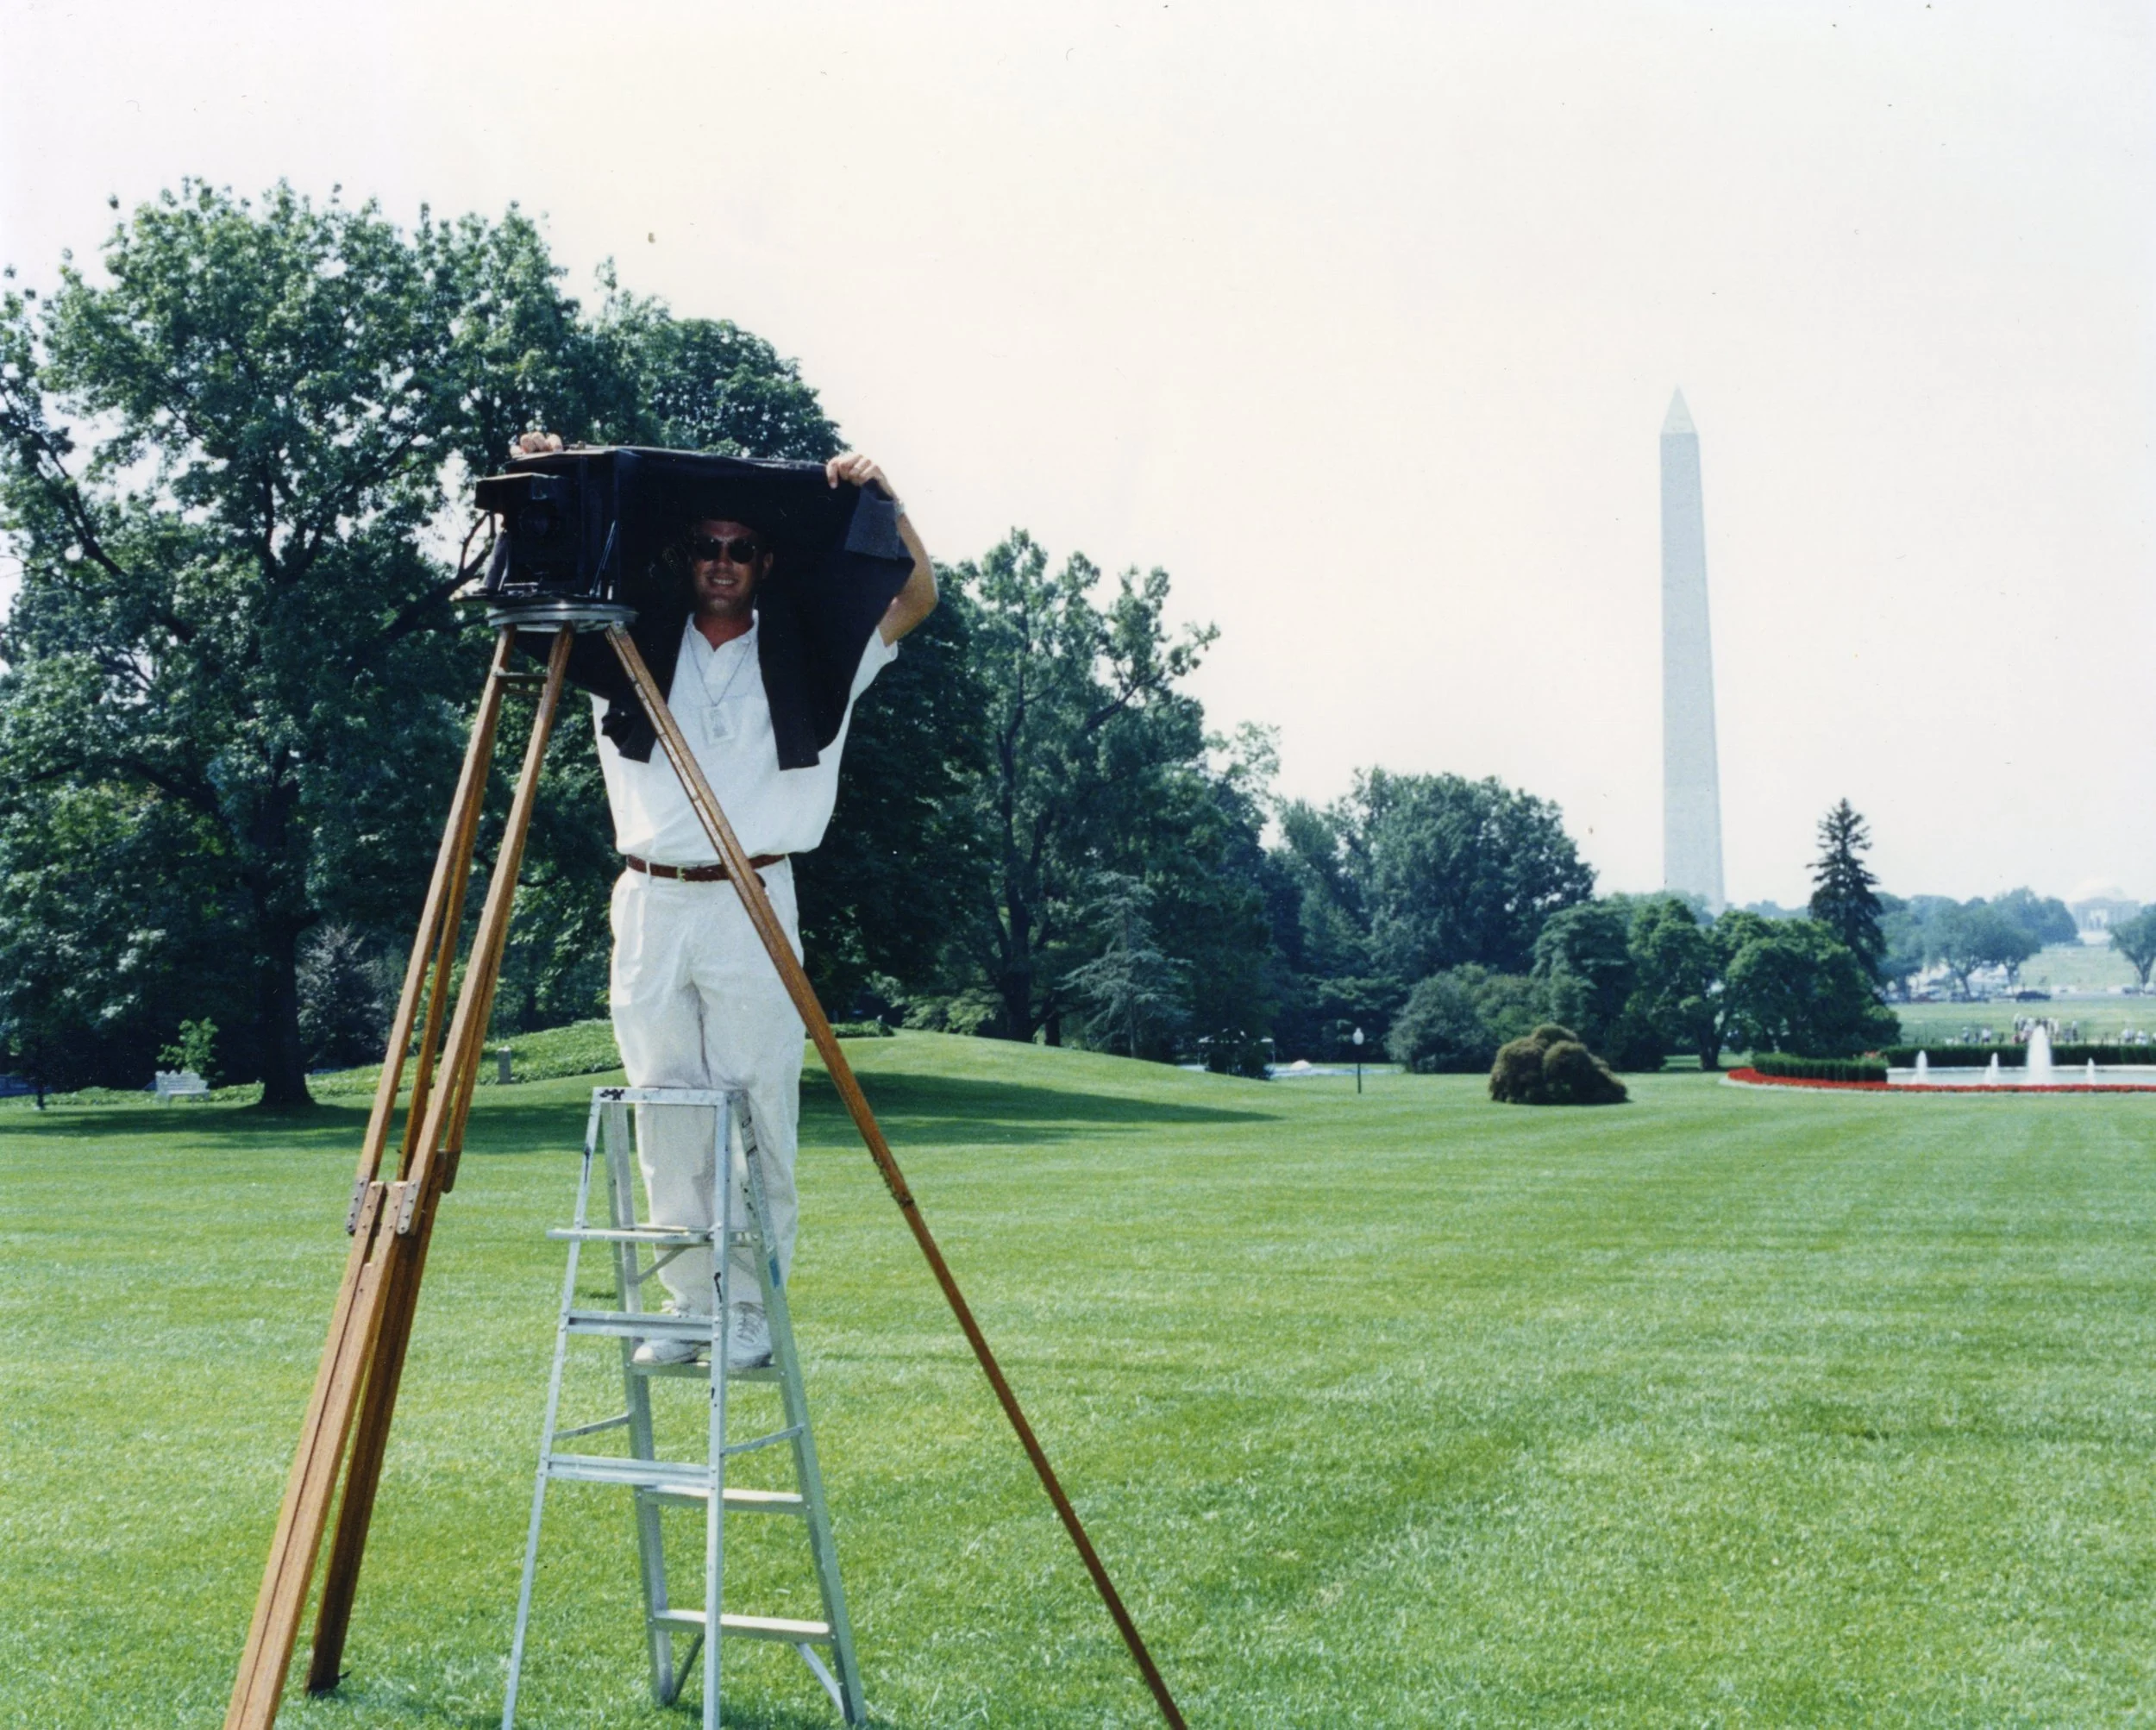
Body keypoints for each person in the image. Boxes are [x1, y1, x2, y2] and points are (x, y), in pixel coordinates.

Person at [511, 432, 937, 1369]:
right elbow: (533, 592)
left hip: (754, 896)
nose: (720, 563)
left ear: (764, 561)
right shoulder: (619, 638)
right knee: (662, 1109)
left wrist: (886, 494)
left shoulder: (818, 652)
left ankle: (750, 1307)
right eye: (706, 546)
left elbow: (915, 596)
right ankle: (683, 1303)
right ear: (683, 557)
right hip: (649, 899)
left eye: (739, 548)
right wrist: (548, 476)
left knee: (755, 1109)